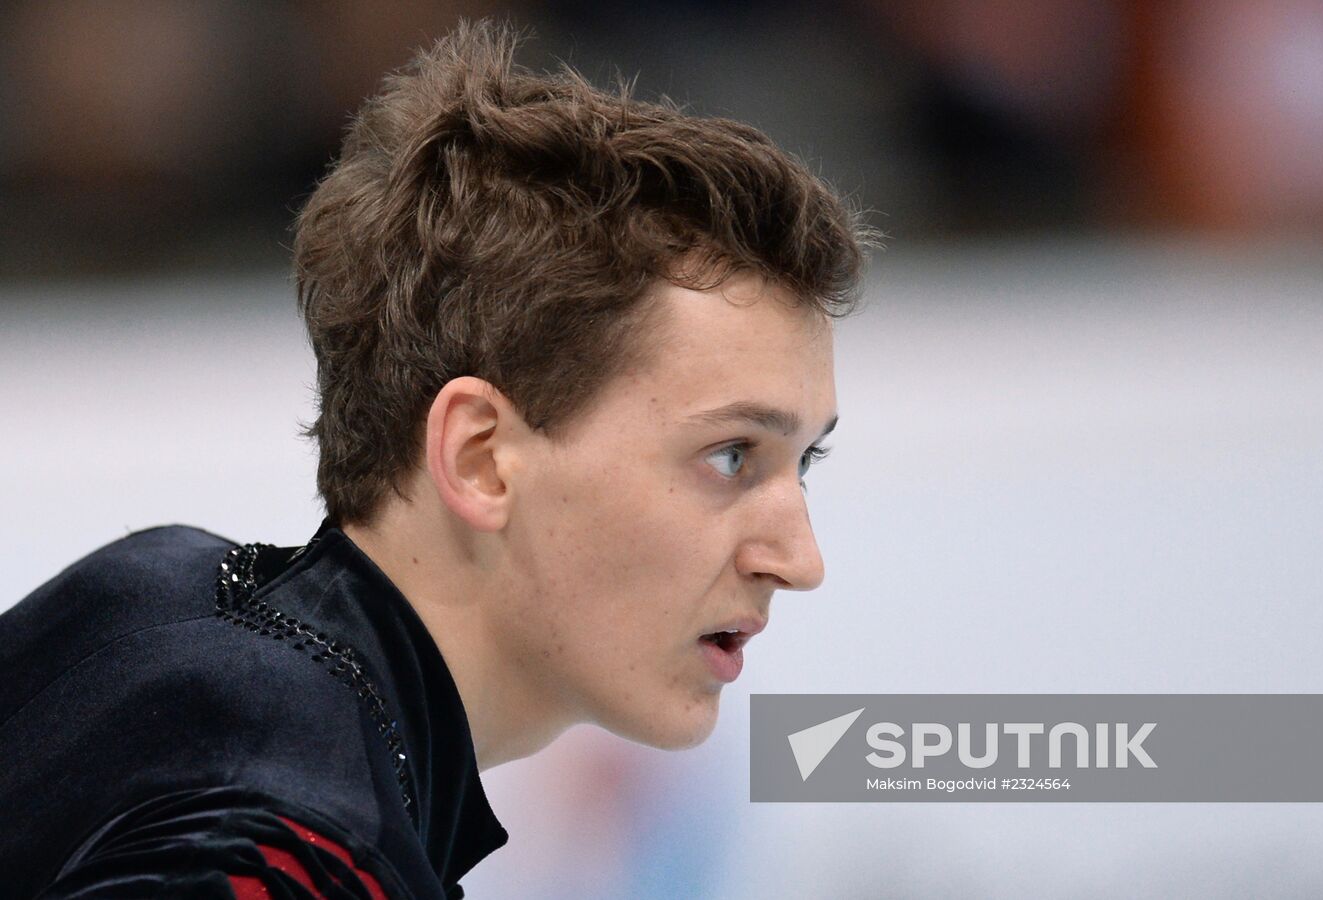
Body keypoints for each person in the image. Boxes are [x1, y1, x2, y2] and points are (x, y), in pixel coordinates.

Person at [0, 19, 873, 900]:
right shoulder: (296, 850)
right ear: (481, 457)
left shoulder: (150, 592)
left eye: (804, 464)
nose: (799, 561)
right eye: (731, 455)